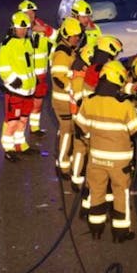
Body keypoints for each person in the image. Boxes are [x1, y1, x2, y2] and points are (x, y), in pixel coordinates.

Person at [75, 60, 137, 243]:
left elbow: (81, 128)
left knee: (96, 192)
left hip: (96, 158)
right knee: (120, 193)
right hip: (120, 161)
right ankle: (120, 233)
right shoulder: (124, 106)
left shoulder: (89, 102)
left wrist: (90, 141)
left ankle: (96, 228)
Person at [0, 12, 37, 161]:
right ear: (14, 28)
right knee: (12, 121)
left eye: (25, 28)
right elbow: (2, 66)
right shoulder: (7, 44)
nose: (23, 31)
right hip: (15, 91)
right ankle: (9, 148)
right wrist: (13, 80)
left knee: (23, 120)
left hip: (28, 90)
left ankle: (21, 144)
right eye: (21, 28)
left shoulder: (28, 42)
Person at [50, 17, 83, 178]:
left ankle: (64, 160)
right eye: (74, 36)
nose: (77, 38)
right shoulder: (62, 54)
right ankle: (63, 165)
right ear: (66, 35)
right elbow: (58, 76)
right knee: (67, 132)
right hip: (63, 100)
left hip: (67, 100)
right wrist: (72, 85)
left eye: (78, 35)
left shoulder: (70, 49)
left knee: (67, 131)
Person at [18, 0, 54, 136]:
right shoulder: (18, 32)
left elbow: (57, 38)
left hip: (40, 75)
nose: (30, 15)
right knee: (23, 109)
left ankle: (34, 128)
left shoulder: (42, 26)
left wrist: (46, 30)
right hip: (25, 77)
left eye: (32, 12)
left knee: (37, 104)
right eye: (27, 13)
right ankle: (19, 137)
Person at [67, 43, 95, 190]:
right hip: (79, 118)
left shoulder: (79, 73)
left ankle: (77, 175)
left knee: (81, 150)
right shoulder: (79, 79)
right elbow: (80, 99)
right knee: (80, 149)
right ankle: (76, 178)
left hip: (79, 116)